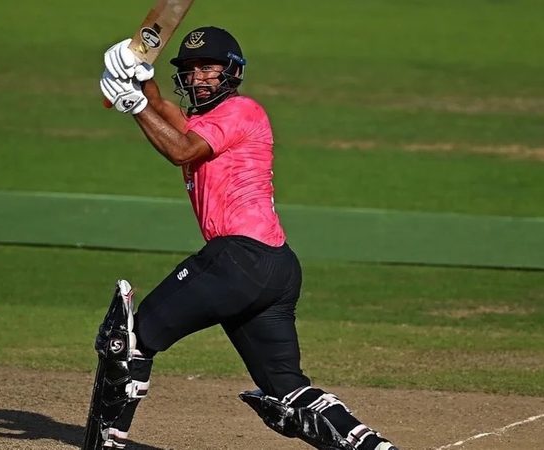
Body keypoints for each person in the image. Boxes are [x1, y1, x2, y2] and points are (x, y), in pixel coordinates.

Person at [94, 26, 399, 450]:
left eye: (209, 67)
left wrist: (132, 103)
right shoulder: (205, 121)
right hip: (274, 268)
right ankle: (372, 447)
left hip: (239, 259)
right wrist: (138, 73)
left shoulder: (241, 111)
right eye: (191, 69)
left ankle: (107, 441)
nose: (199, 77)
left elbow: (181, 150)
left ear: (233, 72)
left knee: (129, 342)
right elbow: (163, 110)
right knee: (286, 392)